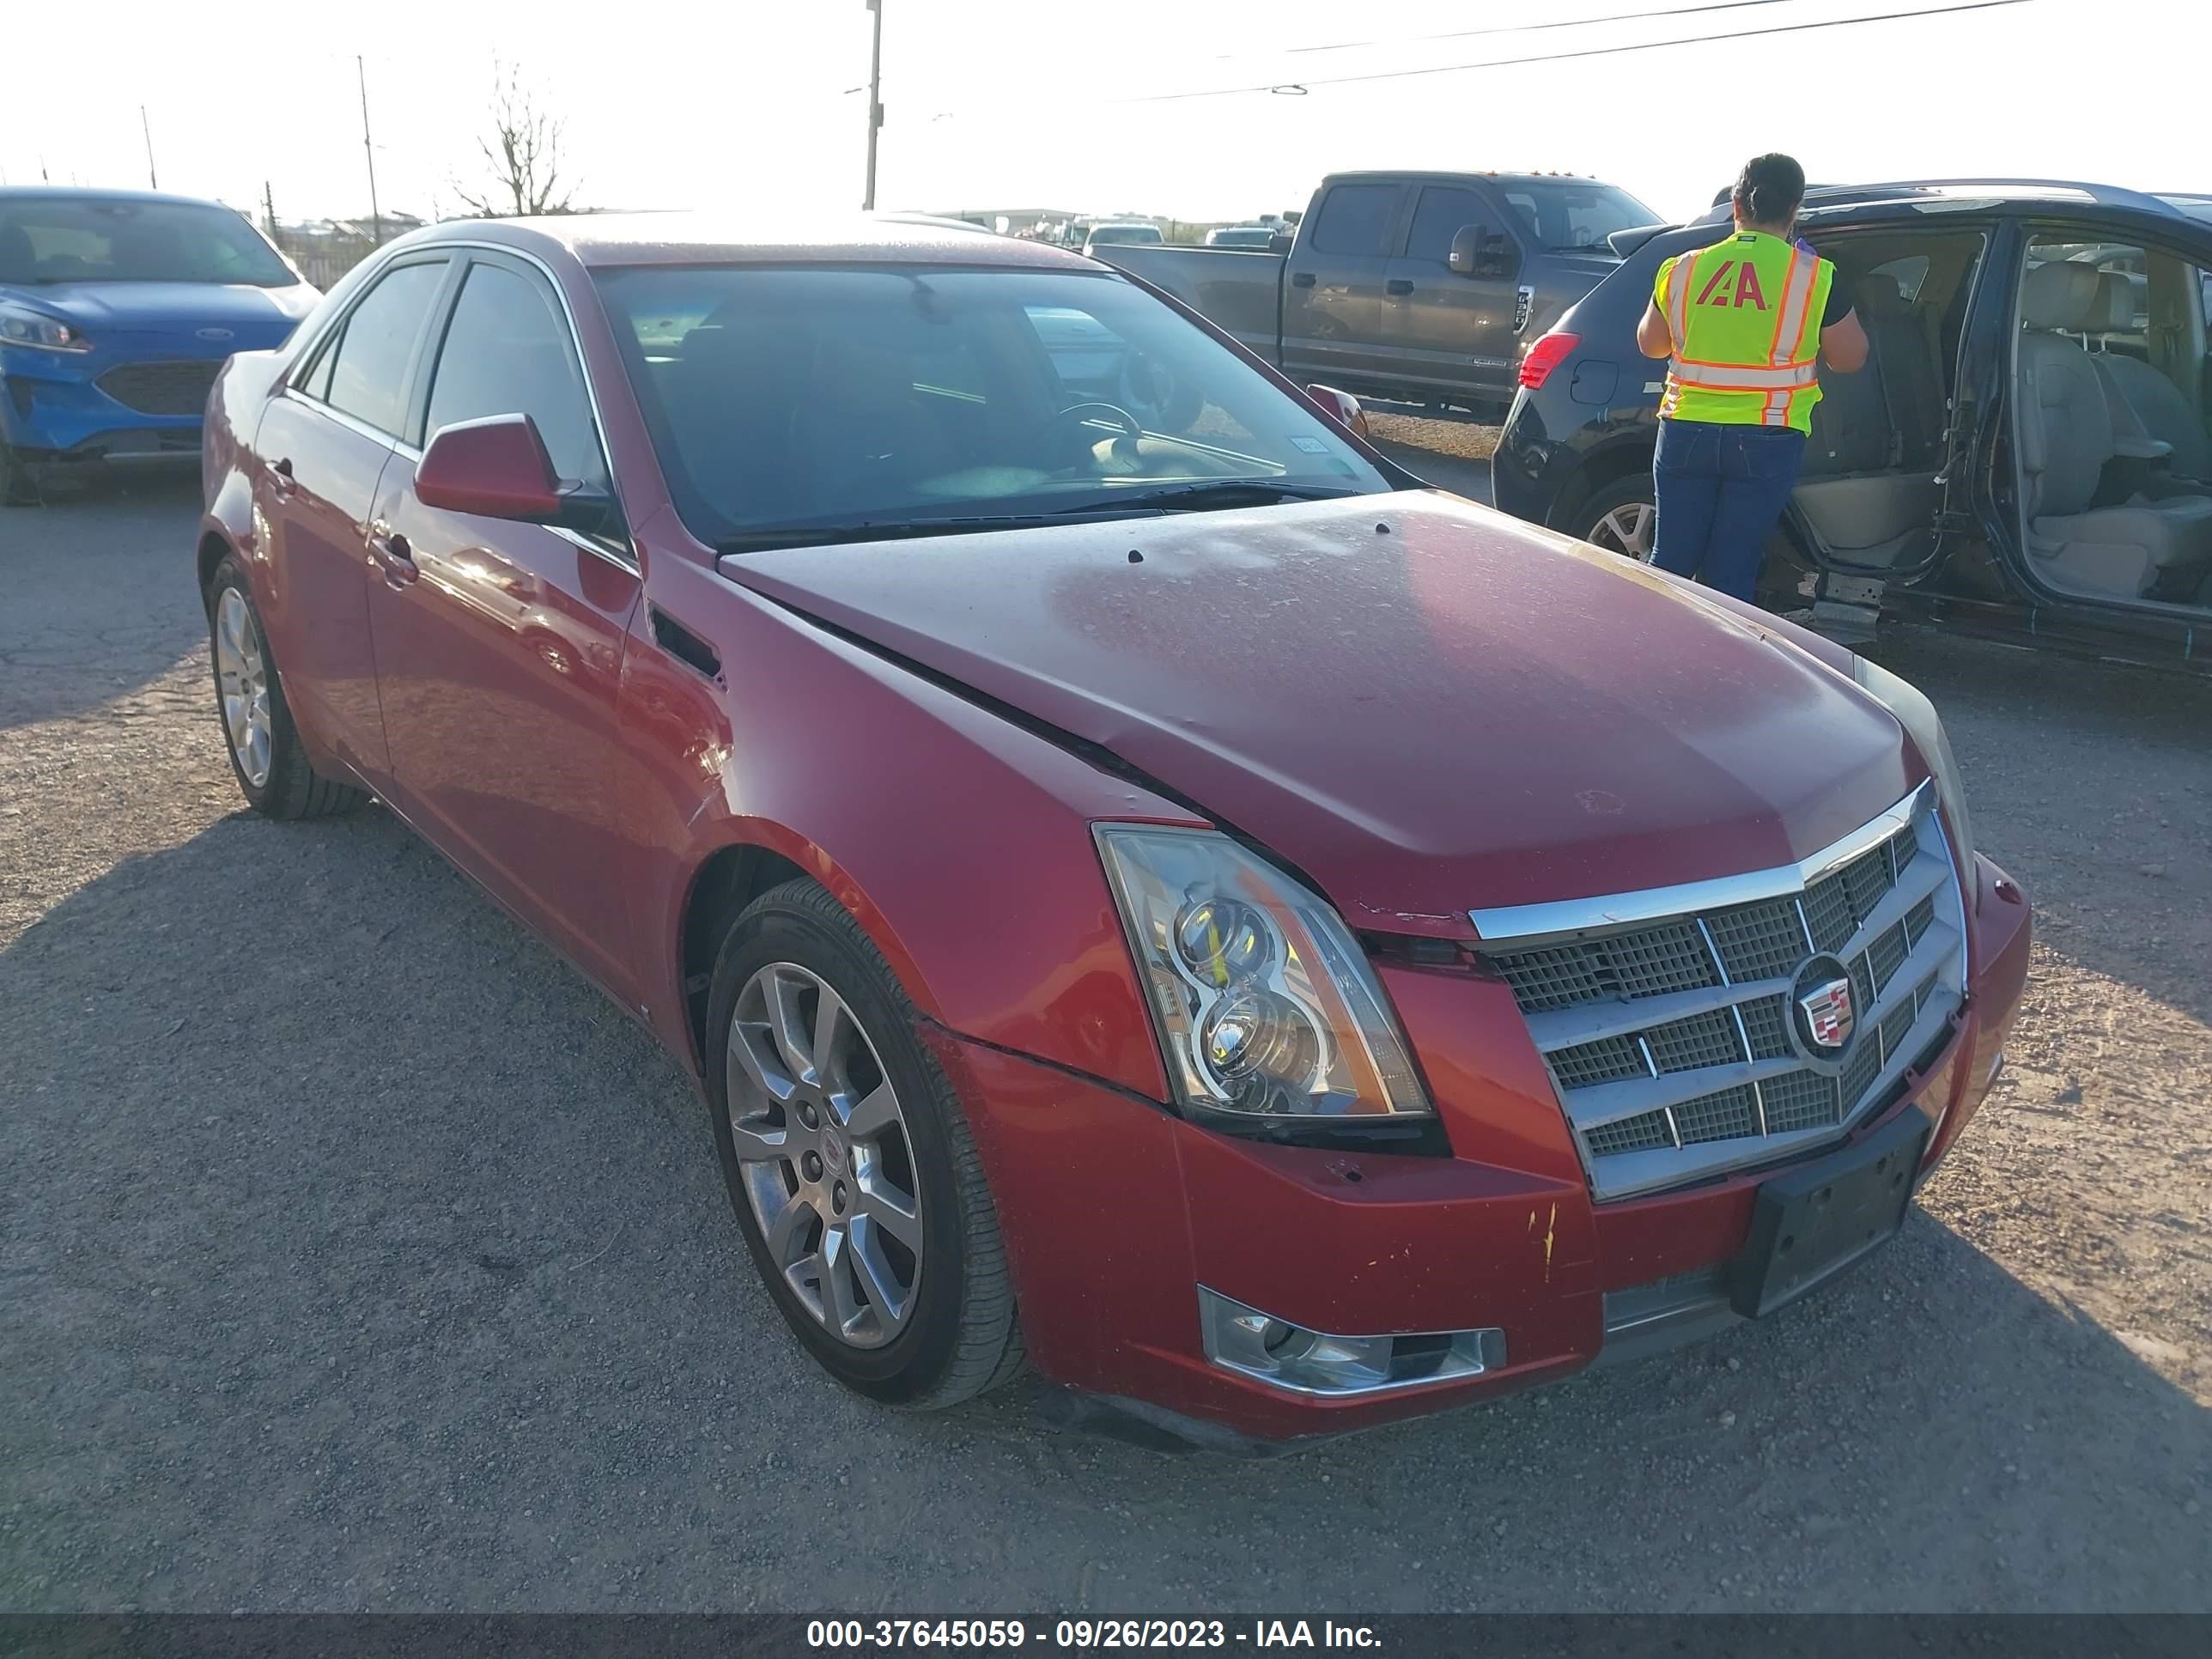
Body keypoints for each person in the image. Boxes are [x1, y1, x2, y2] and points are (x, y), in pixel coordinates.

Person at [1635, 154, 1868, 600]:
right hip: (1767, 437)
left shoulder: (1680, 268)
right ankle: (1719, 666)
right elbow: (1849, 359)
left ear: (1736, 206)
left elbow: (1652, 345)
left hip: (1686, 431)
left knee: (1671, 561)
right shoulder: (1815, 277)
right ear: (1795, 209)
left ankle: (1652, 658)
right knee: (1733, 568)